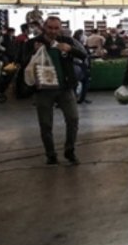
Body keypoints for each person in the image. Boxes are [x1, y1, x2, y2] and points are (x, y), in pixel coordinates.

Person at [21, 16, 87, 165]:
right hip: (43, 90)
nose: (53, 31)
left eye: (56, 28)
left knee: (73, 119)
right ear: (44, 27)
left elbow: (83, 55)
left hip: (65, 88)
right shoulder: (33, 43)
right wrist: (34, 53)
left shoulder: (67, 41)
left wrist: (70, 49)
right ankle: (50, 154)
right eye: (50, 28)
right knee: (45, 124)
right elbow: (23, 63)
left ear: (61, 28)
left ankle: (70, 151)